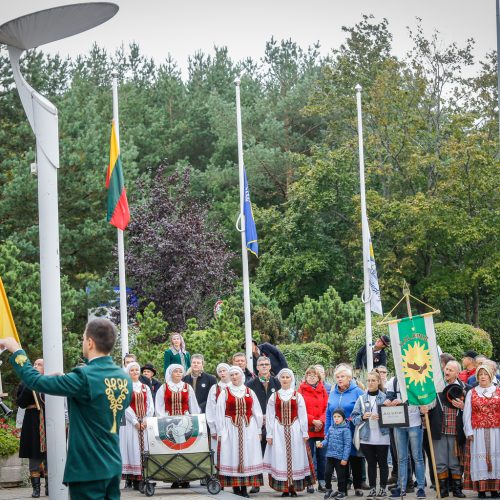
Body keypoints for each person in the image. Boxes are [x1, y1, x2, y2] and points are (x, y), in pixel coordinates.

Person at [0, 318, 132, 500]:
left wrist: (16, 351)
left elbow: (34, 381)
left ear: (90, 342)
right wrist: (64, 381)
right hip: (113, 463)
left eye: (84, 338)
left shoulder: (84, 376)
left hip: (87, 467)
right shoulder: (124, 377)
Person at [264, 368, 315, 497]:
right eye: (283, 377)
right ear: (279, 379)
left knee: (296, 457)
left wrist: (304, 432)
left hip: (295, 429)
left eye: (287, 377)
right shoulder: (274, 396)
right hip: (278, 430)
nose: (285, 379)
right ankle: (284, 488)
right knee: (280, 457)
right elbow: (270, 416)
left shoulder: (297, 395)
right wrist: (269, 434)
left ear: (291, 379)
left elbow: (302, 415)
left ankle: (293, 487)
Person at [216, 365, 264, 497]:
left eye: (236, 374)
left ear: (241, 376)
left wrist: (259, 430)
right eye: (232, 375)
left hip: (249, 428)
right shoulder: (225, 392)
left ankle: (244, 487)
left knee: (247, 456)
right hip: (230, 428)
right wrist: (220, 432)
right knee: (233, 456)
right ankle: (236, 487)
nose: (234, 377)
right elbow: (219, 413)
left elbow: (257, 411)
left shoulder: (249, 391)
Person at [155, 363, 200, 489]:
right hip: (169, 423)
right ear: (171, 373)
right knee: (172, 450)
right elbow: (159, 406)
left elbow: (193, 405)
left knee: (186, 449)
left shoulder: (187, 387)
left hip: (185, 422)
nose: (179, 374)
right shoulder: (164, 388)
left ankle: (186, 478)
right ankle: (174, 477)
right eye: (176, 371)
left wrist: (195, 419)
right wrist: (163, 420)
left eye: (181, 372)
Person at [427, 360, 468, 498]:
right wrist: (425, 408)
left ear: (457, 373)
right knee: (440, 461)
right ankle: (443, 490)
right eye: (446, 369)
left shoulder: (465, 389)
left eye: (451, 370)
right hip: (439, 430)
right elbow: (430, 405)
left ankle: (457, 490)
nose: (447, 372)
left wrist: (463, 406)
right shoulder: (436, 388)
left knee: (455, 462)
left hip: (456, 431)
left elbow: (471, 411)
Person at [386, 375, 428, 499]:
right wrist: (388, 401)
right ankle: (401, 487)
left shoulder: (416, 378)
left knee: (417, 457)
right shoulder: (393, 380)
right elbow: (390, 396)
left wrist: (404, 401)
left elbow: (420, 398)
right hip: (399, 421)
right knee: (401, 458)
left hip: (414, 422)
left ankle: (420, 488)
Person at [325, 364, 364, 496]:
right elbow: (329, 413)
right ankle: (344, 486)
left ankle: (358, 485)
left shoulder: (357, 391)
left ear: (349, 378)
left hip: (353, 430)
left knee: (355, 458)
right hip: (336, 432)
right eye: (337, 377)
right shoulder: (332, 392)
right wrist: (327, 432)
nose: (340, 379)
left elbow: (364, 410)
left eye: (343, 376)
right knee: (341, 459)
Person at [351, 370, 390, 499]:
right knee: (371, 463)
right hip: (367, 437)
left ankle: (383, 488)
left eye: (373, 380)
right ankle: (373, 488)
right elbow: (354, 418)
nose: (370, 383)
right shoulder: (361, 398)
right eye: (368, 380)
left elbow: (391, 417)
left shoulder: (385, 398)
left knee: (383, 463)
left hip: (382, 436)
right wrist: (363, 416)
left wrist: (383, 417)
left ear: (378, 382)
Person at [463, 363, 500, 498]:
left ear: (490, 376)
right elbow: (467, 413)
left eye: (485, 374)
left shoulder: (498, 391)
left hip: (496, 430)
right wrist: (469, 431)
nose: (483, 377)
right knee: (480, 459)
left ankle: (495, 489)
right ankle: (481, 490)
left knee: (497, 459)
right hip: (478, 431)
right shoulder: (472, 393)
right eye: (480, 374)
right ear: (477, 377)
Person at [120, 361, 154, 491]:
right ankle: (133, 478)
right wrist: (135, 421)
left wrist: (146, 419)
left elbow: (150, 404)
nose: (135, 372)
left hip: (144, 423)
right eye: (132, 370)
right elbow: (125, 406)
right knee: (132, 448)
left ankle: (143, 478)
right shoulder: (125, 387)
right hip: (130, 424)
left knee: (143, 448)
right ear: (128, 372)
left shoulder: (145, 387)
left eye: (136, 370)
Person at [16, 358, 47, 498]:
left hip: (48, 420)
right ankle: (36, 489)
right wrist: (30, 385)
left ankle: (49, 487)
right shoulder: (25, 382)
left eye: (39, 364)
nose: (35, 366)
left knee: (49, 455)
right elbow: (21, 403)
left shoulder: (49, 382)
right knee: (34, 453)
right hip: (32, 421)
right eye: (34, 364)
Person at [299, 365, 329, 493]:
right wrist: (313, 420)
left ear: (319, 377)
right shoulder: (301, 391)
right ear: (305, 377)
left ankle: (322, 481)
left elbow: (327, 407)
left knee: (322, 456)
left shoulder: (323, 390)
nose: (311, 377)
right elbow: (299, 410)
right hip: (309, 429)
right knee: (309, 456)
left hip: (321, 430)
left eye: (314, 375)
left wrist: (321, 421)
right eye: (309, 375)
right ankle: (310, 482)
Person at [318, 408, 352, 499]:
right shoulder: (331, 428)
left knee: (341, 476)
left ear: (343, 418)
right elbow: (327, 440)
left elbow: (347, 445)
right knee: (327, 473)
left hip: (340, 458)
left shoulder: (346, 430)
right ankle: (328, 489)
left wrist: (345, 458)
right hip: (330, 455)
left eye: (338, 417)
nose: (336, 418)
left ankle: (342, 492)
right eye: (334, 417)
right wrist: (322, 444)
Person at [206, 362, 231, 456]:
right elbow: (210, 408)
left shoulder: (235, 387)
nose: (222, 373)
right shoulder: (214, 388)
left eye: (224, 370)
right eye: (220, 371)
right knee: (219, 449)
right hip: (218, 423)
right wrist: (212, 428)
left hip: (233, 422)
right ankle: (219, 468)